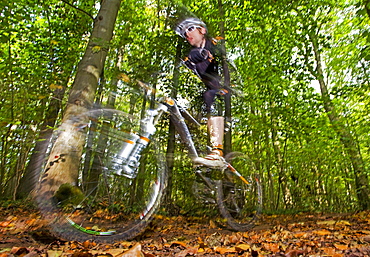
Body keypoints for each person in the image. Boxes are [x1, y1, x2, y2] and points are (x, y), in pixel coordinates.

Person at [175, 17, 228, 168]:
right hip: (209, 95)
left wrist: (208, 55)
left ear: (202, 30)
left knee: (212, 95)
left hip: (227, 91)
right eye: (184, 33)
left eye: (190, 29)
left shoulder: (215, 44)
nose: (187, 34)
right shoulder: (190, 56)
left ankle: (217, 151)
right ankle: (206, 155)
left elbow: (223, 59)